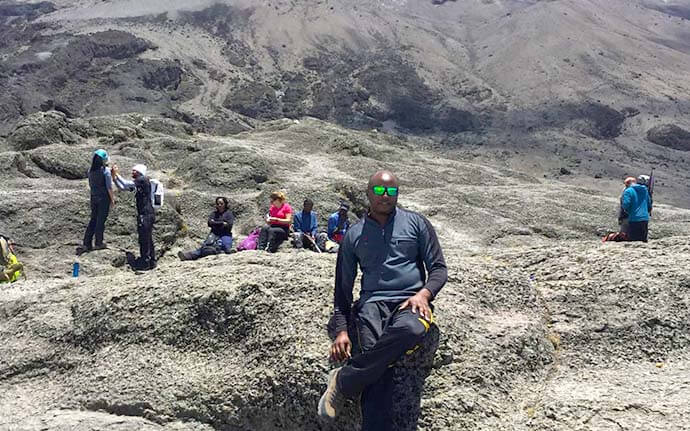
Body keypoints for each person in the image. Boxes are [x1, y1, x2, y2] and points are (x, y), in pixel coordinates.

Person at [318, 171, 448, 430]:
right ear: (368, 194)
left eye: (391, 191)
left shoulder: (417, 224)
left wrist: (424, 294)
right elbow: (342, 291)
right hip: (371, 306)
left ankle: (345, 380)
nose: (385, 196)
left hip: (410, 302)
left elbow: (438, 269)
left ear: (397, 194)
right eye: (379, 191)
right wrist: (342, 330)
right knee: (380, 370)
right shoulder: (354, 235)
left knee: (410, 329)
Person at [112, 163, 156, 270]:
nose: (132, 172)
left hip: (145, 214)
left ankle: (145, 263)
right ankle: (151, 261)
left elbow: (126, 183)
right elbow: (123, 187)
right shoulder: (140, 182)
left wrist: (117, 174)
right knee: (147, 237)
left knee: (144, 238)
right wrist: (114, 178)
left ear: (139, 172)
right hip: (146, 213)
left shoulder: (142, 179)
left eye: (134, 171)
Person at [77, 149, 115, 255]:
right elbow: (109, 187)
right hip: (104, 197)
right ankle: (99, 242)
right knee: (101, 220)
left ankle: (86, 243)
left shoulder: (90, 171)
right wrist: (112, 199)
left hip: (94, 197)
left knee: (93, 219)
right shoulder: (105, 171)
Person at [622, 174, 652, 242]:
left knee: (633, 241)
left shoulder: (628, 191)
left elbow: (626, 204)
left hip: (634, 219)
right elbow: (649, 204)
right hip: (644, 219)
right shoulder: (645, 190)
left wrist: (627, 212)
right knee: (643, 241)